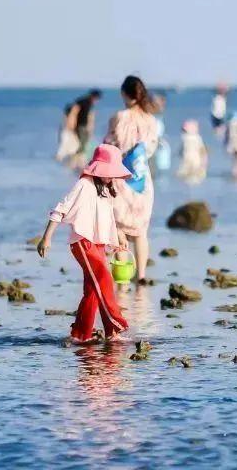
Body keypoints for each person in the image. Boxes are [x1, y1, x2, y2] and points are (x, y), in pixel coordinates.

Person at [37, 144, 143, 343]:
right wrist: (47, 238)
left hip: (98, 243)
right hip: (83, 242)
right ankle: (116, 326)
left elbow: (106, 217)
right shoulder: (84, 185)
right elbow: (61, 209)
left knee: (93, 289)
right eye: (109, 172)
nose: (112, 177)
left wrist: (118, 236)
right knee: (104, 279)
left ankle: (81, 334)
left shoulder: (106, 188)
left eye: (114, 173)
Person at [103, 75, 159, 282]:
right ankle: (142, 276)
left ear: (123, 93)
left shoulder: (119, 117)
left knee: (119, 228)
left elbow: (108, 145)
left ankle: (122, 277)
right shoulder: (151, 120)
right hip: (143, 180)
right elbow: (150, 150)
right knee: (141, 231)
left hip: (120, 178)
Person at [63, 90, 102, 169]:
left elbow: (89, 115)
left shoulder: (89, 103)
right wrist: (71, 123)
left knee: (83, 143)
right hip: (80, 126)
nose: (96, 101)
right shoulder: (83, 101)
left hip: (83, 125)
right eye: (97, 98)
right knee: (81, 144)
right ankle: (75, 163)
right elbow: (74, 111)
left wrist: (90, 126)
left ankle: (77, 162)